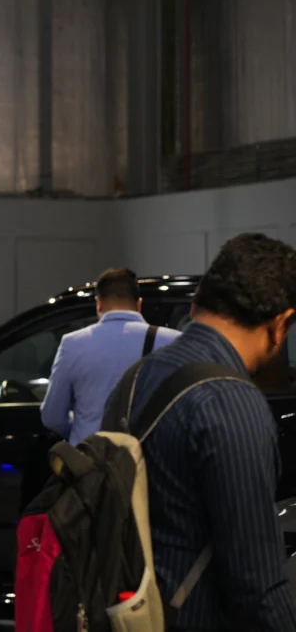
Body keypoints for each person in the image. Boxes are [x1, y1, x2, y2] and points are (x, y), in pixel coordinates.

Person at [121, 233, 296, 629]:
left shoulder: (137, 377)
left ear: (199, 301)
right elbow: (257, 585)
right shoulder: (232, 402)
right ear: (281, 323)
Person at [40, 267, 181, 445]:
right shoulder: (174, 341)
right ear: (139, 304)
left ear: (98, 304)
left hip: (90, 456)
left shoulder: (72, 344)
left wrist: (82, 429)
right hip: (148, 457)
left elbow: (52, 417)